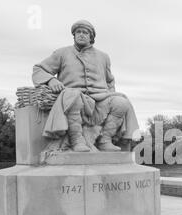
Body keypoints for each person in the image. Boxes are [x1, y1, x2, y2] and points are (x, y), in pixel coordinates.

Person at [32, 20, 140, 152]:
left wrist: (111, 93)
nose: (81, 35)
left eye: (85, 32)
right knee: (73, 97)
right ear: (74, 35)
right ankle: (77, 140)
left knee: (121, 102)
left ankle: (104, 140)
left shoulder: (103, 57)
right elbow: (38, 69)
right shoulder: (62, 53)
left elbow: (110, 81)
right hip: (73, 97)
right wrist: (51, 80)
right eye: (78, 32)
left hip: (100, 99)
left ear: (91, 37)